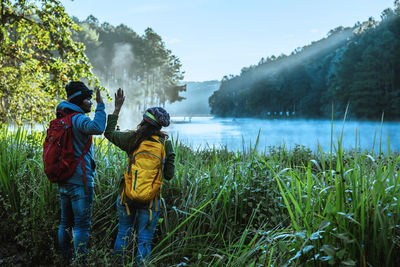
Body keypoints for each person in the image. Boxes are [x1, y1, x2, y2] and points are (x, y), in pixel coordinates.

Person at [104, 88, 175, 266]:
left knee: (123, 233)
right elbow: (169, 176)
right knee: (144, 240)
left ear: (144, 120)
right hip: (151, 200)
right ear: (161, 126)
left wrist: (117, 109)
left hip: (127, 195)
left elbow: (109, 133)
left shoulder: (133, 139)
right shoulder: (166, 144)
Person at [56, 81, 106, 261]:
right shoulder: (78, 119)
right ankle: (80, 262)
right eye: (88, 99)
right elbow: (98, 128)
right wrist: (101, 106)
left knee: (65, 223)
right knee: (81, 225)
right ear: (78, 100)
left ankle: (64, 259)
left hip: (63, 179)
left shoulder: (61, 119)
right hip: (80, 180)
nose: (90, 103)